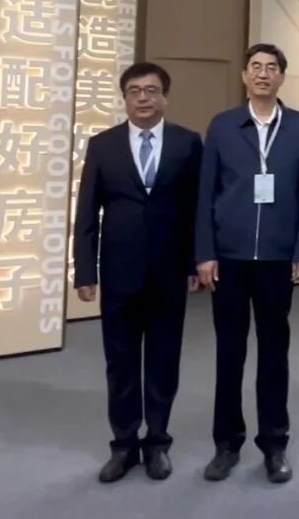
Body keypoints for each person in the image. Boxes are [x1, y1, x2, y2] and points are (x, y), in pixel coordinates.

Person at [73, 62, 203, 483]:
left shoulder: (187, 143)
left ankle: (158, 442)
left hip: (169, 271)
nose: (143, 98)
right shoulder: (103, 145)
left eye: (151, 90)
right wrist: (85, 270)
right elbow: (87, 212)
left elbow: (196, 210)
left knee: (164, 360)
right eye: (134, 91)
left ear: (165, 96)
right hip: (119, 271)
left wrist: (195, 262)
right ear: (124, 98)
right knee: (121, 362)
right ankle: (124, 444)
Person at [195, 43, 299, 484]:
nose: (264, 74)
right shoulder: (223, 126)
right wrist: (204, 252)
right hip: (229, 258)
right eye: (256, 67)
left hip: (277, 260)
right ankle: (226, 444)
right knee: (229, 353)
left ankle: (274, 444)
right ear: (244, 75)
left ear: (282, 77)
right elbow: (206, 191)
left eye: (272, 68)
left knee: (274, 355)